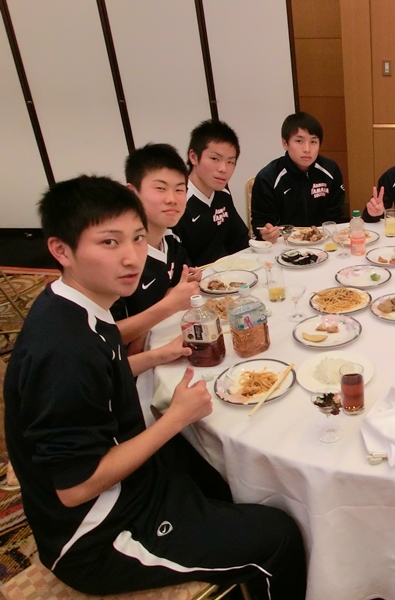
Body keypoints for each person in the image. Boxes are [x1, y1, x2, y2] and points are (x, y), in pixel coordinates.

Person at [4, 176, 306, 599]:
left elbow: (102, 373)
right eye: (109, 242)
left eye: (136, 238)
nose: (131, 257)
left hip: (136, 482)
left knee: (228, 472)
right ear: (61, 250)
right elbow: (75, 487)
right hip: (99, 534)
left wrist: (157, 356)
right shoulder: (61, 352)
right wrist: (175, 418)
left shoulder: (75, 306)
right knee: (279, 535)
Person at [112, 143, 200, 351]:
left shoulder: (170, 241)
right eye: (160, 188)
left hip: (166, 340)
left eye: (179, 190)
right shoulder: (118, 257)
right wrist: (168, 305)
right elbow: (106, 336)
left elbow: (178, 285)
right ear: (132, 193)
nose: (172, 199)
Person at [251, 112, 346, 242]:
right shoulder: (267, 178)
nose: (307, 149)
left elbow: (336, 216)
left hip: (324, 241)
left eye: (313, 142)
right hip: (283, 244)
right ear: (285, 143)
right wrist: (265, 232)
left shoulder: (330, 170)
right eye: (299, 141)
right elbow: (260, 222)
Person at [172, 120, 250, 266]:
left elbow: (240, 242)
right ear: (194, 157)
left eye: (230, 162)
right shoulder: (177, 201)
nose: (223, 169)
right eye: (215, 159)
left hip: (225, 274)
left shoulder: (223, 195)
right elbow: (176, 261)